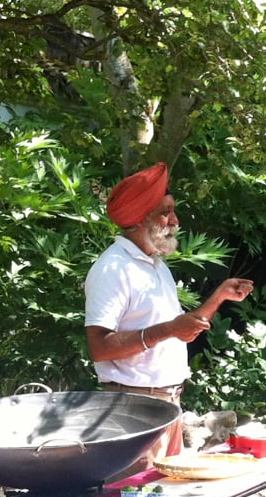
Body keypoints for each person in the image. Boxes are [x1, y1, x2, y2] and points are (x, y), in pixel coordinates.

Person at [84, 163, 254, 462]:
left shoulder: (154, 265)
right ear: (139, 219)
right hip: (133, 408)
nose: (175, 220)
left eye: (173, 211)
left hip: (167, 401)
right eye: (165, 212)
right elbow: (99, 348)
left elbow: (178, 329)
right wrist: (169, 330)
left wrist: (219, 296)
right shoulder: (113, 268)